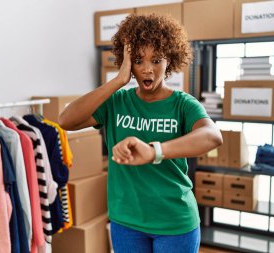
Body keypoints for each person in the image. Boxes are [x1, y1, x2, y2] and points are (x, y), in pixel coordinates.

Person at [59, 13, 223, 253]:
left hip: (175, 221)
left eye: (156, 60)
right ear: (127, 62)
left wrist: (154, 151)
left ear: (170, 61)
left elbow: (212, 136)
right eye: (138, 60)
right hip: (126, 222)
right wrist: (118, 81)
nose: (147, 69)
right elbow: (66, 120)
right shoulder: (116, 102)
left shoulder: (183, 104)